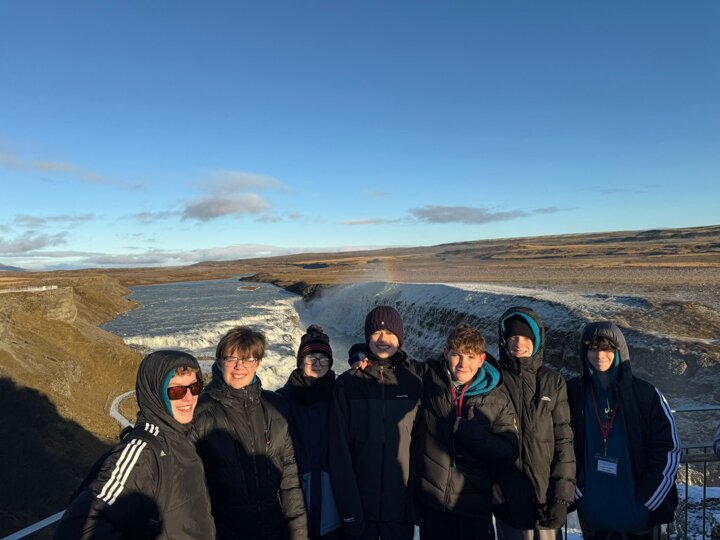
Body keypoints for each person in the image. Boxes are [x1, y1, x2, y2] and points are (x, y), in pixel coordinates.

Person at [55, 350, 215, 539]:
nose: (188, 398)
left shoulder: (181, 438)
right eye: (176, 391)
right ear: (155, 394)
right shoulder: (143, 451)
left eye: (195, 387)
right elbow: (77, 526)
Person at [567, 321, 680, 539]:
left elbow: (668, 447)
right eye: (593, 349)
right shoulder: (573, 392)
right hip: (593, 514)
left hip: (637, 517)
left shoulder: (646, 394)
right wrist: (578, 491)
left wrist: (649, 498)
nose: (600, 355)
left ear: (619, 351)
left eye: (607, 349)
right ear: (584, 352)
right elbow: (559, 442)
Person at [192, 326, 307, 540]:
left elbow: (290, 482)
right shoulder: (199, 413)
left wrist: (299, 535)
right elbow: (192, 493)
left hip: (274, 533)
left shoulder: (276, 407)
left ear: (258, 363)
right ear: (219, 362)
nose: (239, 367)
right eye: (231, 359)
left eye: (248, 360)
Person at [413, 324, 519, 540]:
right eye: (456, 355)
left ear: (481, 359)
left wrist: (474, 435)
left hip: (475, 507)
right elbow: (395, 365)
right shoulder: (429, 377)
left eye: (470, 357)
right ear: (446, 353)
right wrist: (362, 356)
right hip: (433, 505)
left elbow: (509, 451)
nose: (462, 364)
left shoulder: (496, 397)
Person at [329, 305, 422, 540]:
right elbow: (339, 451)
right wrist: (349, 509)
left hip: (400, 509)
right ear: (367, 337)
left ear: (400, 338)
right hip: (359, 508)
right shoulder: (348, 383)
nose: (383, 339)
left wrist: (414, 505)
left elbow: (421, 446)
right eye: (376, 333)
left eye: (390, 333)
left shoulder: (414, 382)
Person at [493, 306, 575, 540]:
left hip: (545, 497)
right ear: (504, 341)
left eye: (526, 338)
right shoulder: (494, 379)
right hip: (507, 496)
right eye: (513, 337)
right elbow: (484, 437)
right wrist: (491, 483)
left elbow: (564, 442)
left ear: (536, 340)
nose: (519, 344)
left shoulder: (553, 382)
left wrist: (561, 498)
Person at [277, 325, 343, 540]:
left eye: (323, 358)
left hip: (333, 489)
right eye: (311, 357)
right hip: (295, 488)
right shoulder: (281, 399)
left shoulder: (341, 394)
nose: (318, 363)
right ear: (300, 362)